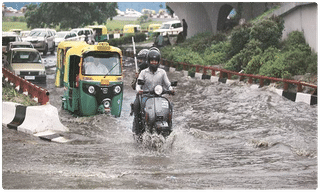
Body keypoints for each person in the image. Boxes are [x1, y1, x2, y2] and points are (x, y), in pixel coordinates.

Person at [131, 48, 174, 136]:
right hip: (146, 96)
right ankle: (138, 128)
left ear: (158, 61)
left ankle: (170, 126)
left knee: (170, 106)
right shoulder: (143, 72)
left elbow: (168, 84)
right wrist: (139, 90)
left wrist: (171, 89)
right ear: (148, 61)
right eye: (152, 61)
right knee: (136, 105)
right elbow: (137, 85)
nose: (154, 62)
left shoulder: (162, 72)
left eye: (156, 61)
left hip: (159, 96)